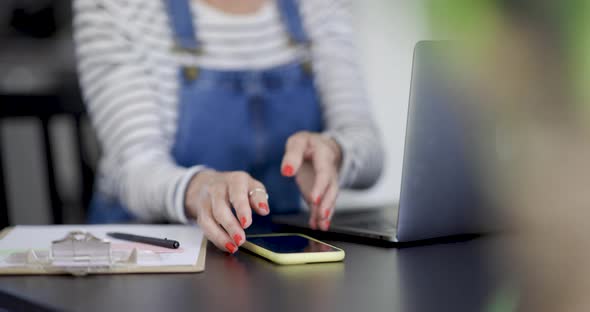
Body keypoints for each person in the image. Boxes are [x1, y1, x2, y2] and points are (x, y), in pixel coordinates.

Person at [74, 0, 383, 253]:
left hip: (276, 255)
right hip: (147, 257)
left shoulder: (317, 7)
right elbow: (135, 169)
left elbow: (367, 147)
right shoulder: (117, 7)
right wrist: (199, 189)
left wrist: (337, 152)